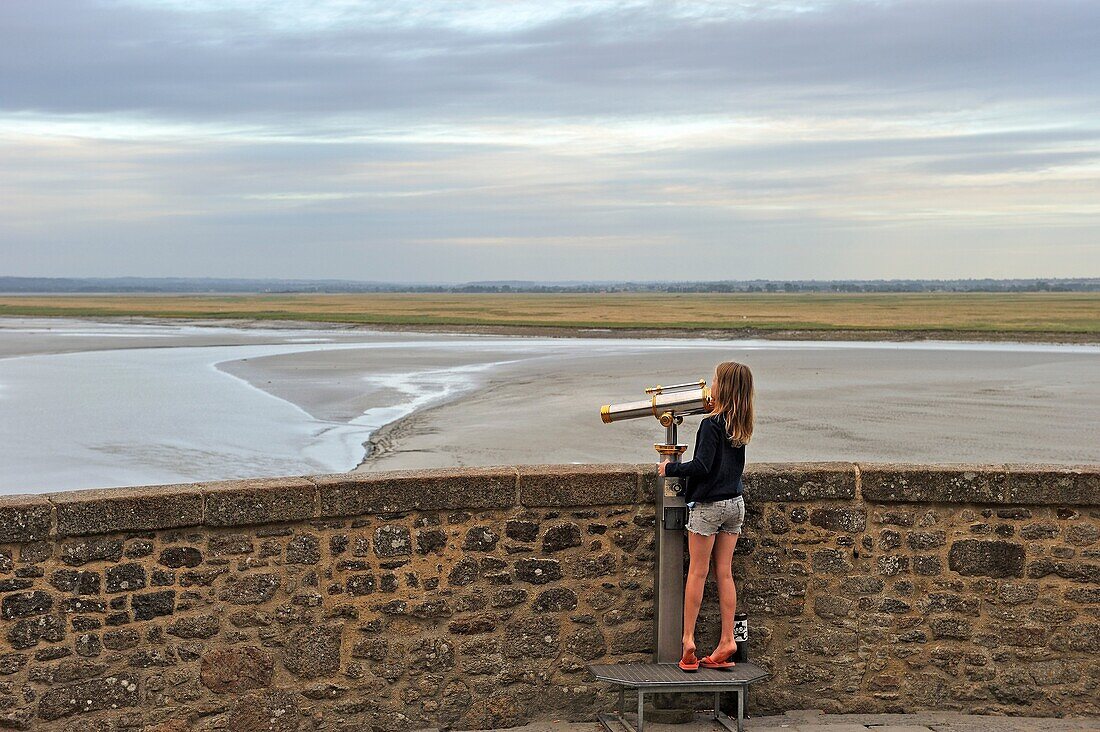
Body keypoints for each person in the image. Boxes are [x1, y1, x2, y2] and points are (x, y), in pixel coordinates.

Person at [658, 361, 754, 672]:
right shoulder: (739, 423)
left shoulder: (711, 424)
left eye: (713, 381)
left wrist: (669, 468)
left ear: (721, 387)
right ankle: (727, 640)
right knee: (724, 573)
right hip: (734, 504)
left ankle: (687, 640)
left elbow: (701, 466)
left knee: (698, 573)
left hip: (709, 506)